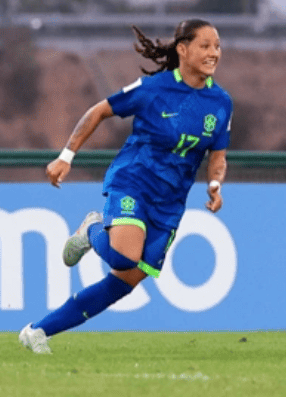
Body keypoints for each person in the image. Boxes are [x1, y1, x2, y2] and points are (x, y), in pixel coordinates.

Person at [19, 19, 233, 354]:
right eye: (205, 45)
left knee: (124, 283)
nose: (213, 53)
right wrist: (66, 155)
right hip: (133, 181)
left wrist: (216, 183)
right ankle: (92, 229)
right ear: (183, 49)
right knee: (122, 256)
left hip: (170, 203)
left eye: (217, 46)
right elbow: (99, 111)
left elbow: (217, 155)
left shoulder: (221, 103)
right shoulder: (153, 89)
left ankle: (37, 332)